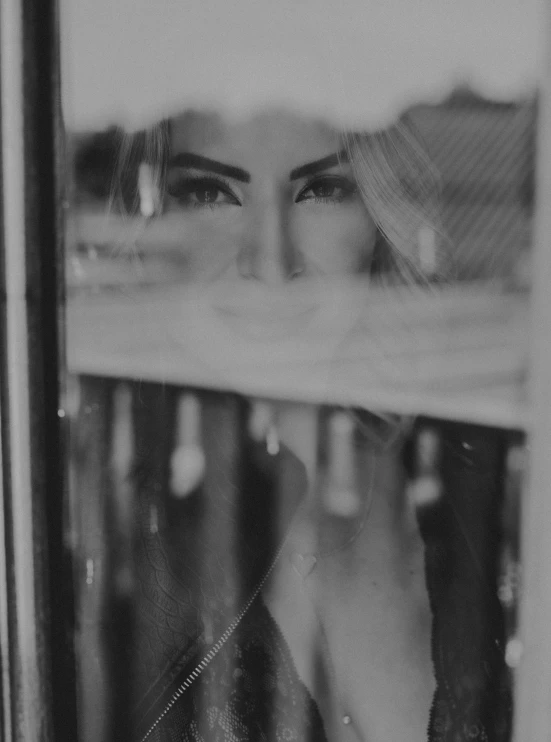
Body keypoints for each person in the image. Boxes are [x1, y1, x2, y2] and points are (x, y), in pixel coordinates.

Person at [108, 107, 510, 741]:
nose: (271, 262)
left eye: (321, 190)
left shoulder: (482, 482)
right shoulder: (81, 520)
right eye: (212, 193)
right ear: (151, 220)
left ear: (380, 214)